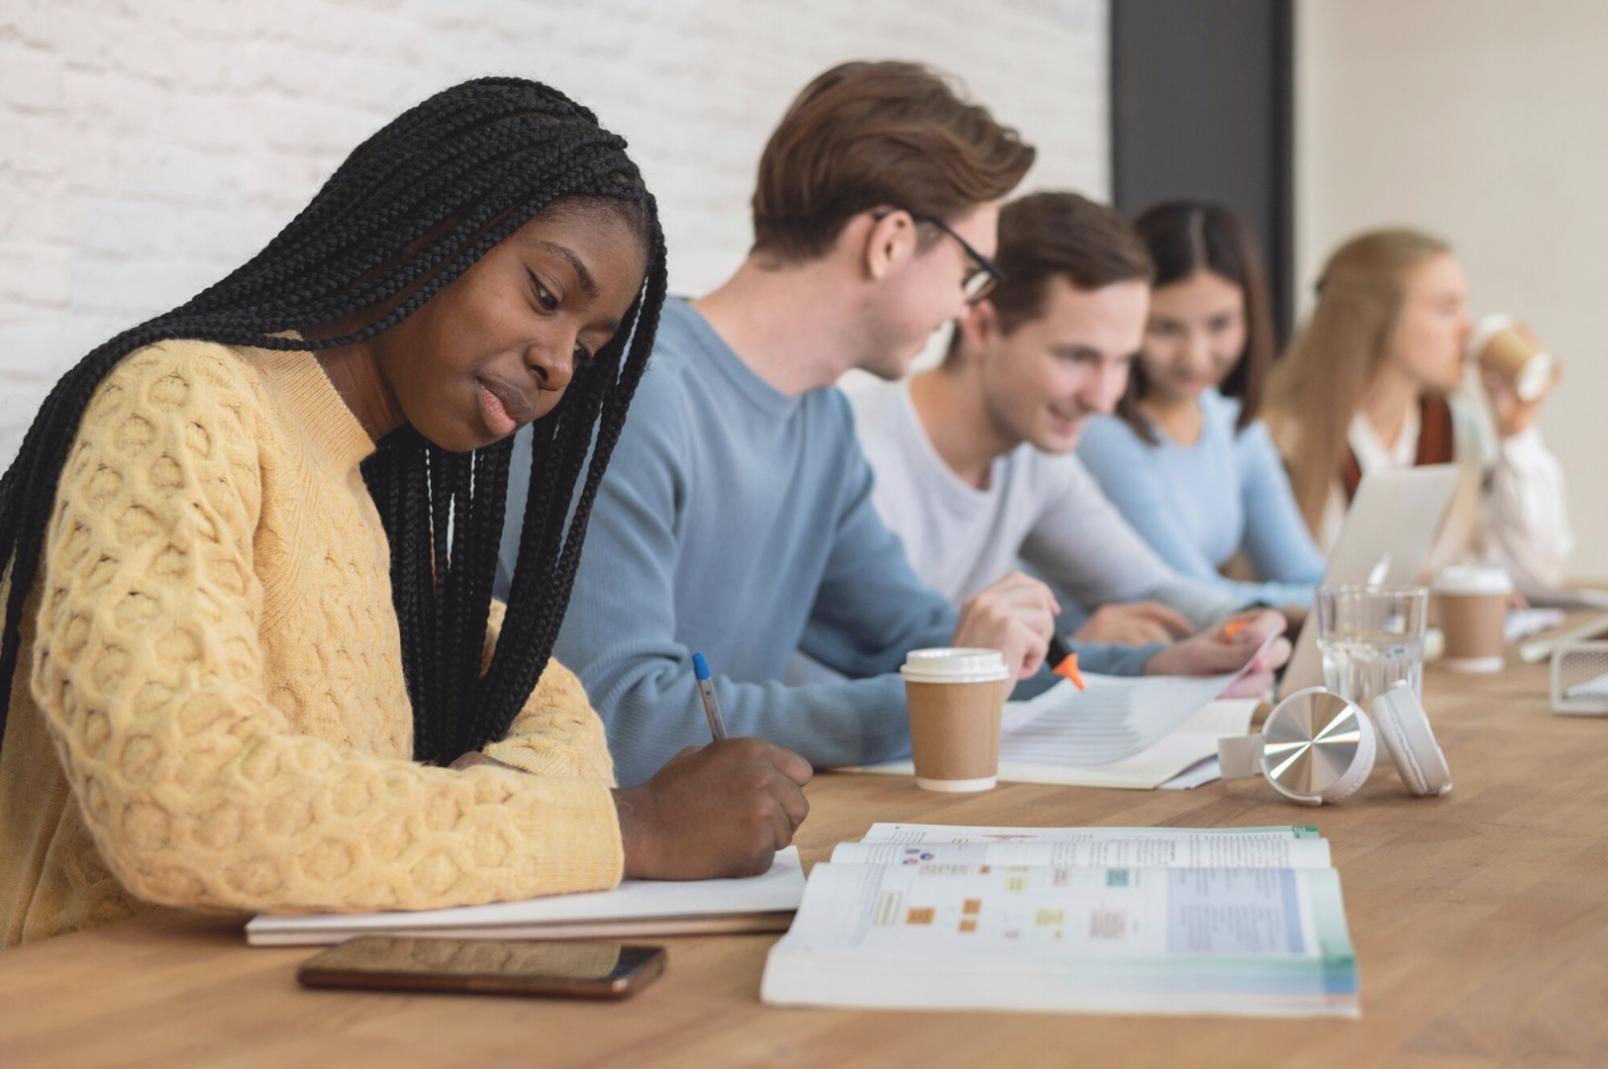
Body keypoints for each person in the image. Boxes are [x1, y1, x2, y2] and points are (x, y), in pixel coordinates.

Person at [0, 78, 811, 948]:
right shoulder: (182, 406)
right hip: (84, 1013)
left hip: (293, 1003)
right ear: (434, 225)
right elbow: (180, 801)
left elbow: (560, 717)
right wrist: (636, 830)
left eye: (586, 345)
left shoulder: (388, 499)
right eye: (545, 293)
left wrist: (459, 809)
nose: (557, 364)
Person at [508, 62, 1289, 788]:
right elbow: (625, 717)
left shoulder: (821, 424)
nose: (966, 306)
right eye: (969, 272)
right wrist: (943, 694)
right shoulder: (638, 396)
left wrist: (1152, 667)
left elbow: (913, 636)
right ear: (888, 242)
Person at [851, 191, 1249, 650]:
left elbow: (1148, 588)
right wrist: (1071, 643)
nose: (1103, 400)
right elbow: (890, 659)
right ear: (981, 328)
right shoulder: (864, 458)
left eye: (1122, 363)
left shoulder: (1032, 456)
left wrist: (1257, 624)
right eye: (1077, 357)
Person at [1261, 228, 1571, 592]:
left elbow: (1536, 575)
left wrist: (1516, 431)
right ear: (1376, 317)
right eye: (1446, 308)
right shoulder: (1281, 438)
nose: (1467, 326)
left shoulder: (1459, 428)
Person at [1077, 201, 1325, 609]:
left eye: (1220, 324)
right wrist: (1337, 605)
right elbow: (1194, 596)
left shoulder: (1235, 426)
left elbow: (1305, 573)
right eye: (1165, 328)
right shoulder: (1102, 434)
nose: (1194, 357)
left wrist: (1347, 601)